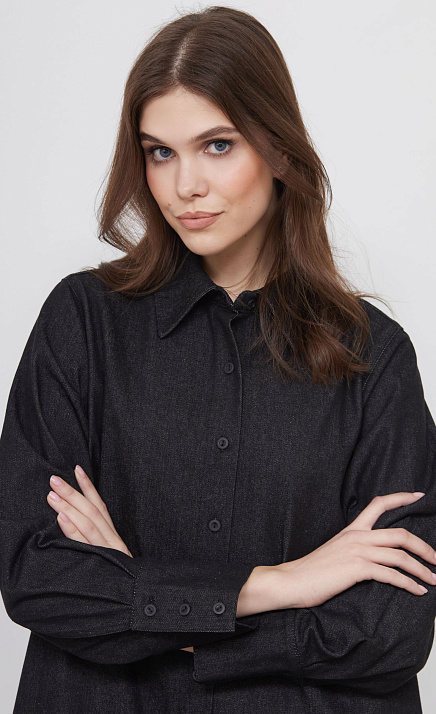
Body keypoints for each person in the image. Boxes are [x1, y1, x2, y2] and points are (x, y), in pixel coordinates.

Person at [1, 5, 435, 713]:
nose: (185, 187)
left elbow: (390, 631)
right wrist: (283, 583)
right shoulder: (82, 322)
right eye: (160, 152)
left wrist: (141, 594)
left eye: (217, 146)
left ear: (279, 149)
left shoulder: (373, 356)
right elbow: (37, 577)